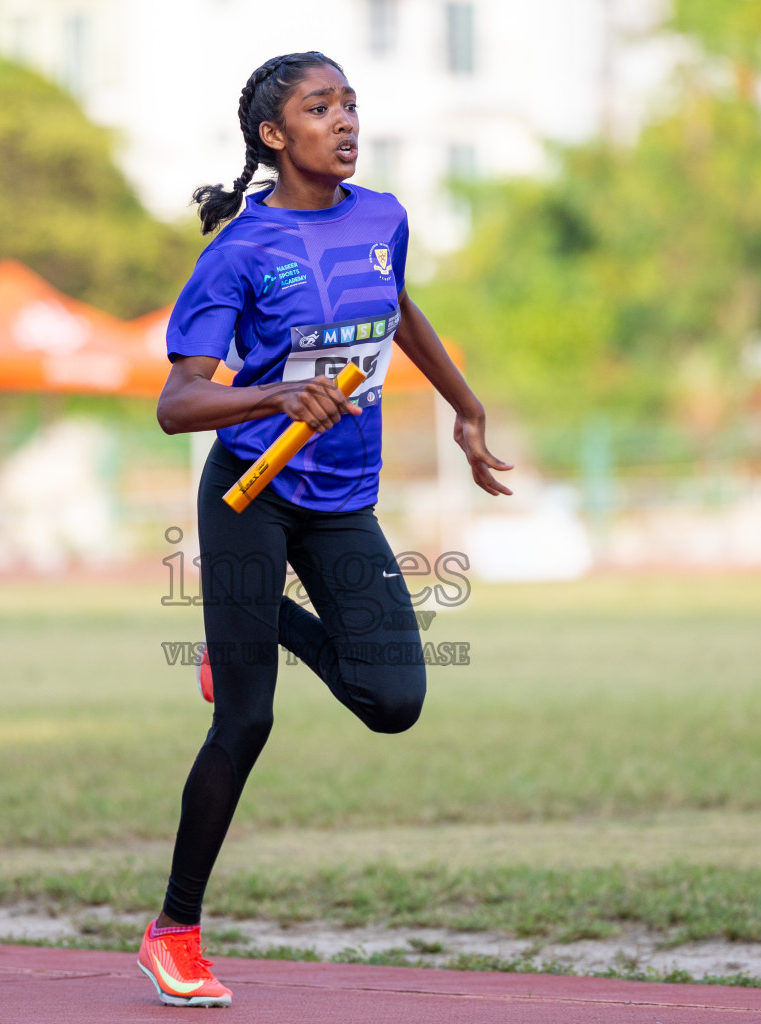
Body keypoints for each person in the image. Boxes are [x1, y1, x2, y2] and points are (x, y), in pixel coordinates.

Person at [138, 51, 513, 1008]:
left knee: (394, 700)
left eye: (350, 103)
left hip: (343, 500)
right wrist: (276, 394)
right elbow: (178, 405)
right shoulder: (237, 250)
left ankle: (251, 627)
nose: (345, 120)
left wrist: (465, 407)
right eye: (320, 107)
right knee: (248, 719)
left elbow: (397, 310)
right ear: (274, 136)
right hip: (250, 496)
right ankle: (174, 930)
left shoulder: (382, 217)